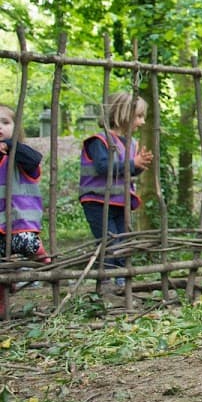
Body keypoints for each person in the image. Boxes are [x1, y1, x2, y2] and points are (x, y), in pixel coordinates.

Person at [79, 91, 154, 287]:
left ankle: (120, 279)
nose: (142, 121)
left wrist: (137, 166)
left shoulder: (132, 143)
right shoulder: (99, 141)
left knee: (122, 240)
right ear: (121, 114)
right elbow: (104, 167)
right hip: (98, 201)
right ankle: (105, 281)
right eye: (138, 116)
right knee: (109, 241)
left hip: (120, 201)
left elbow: (125, 171)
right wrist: (132, 163)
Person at [0, 104, 50, 315]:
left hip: (21, 225)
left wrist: (11, 145)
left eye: (5, 122)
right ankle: (3, 300)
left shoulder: (21, 158)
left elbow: (35, 160)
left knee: (25, 243)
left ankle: (39, 251)